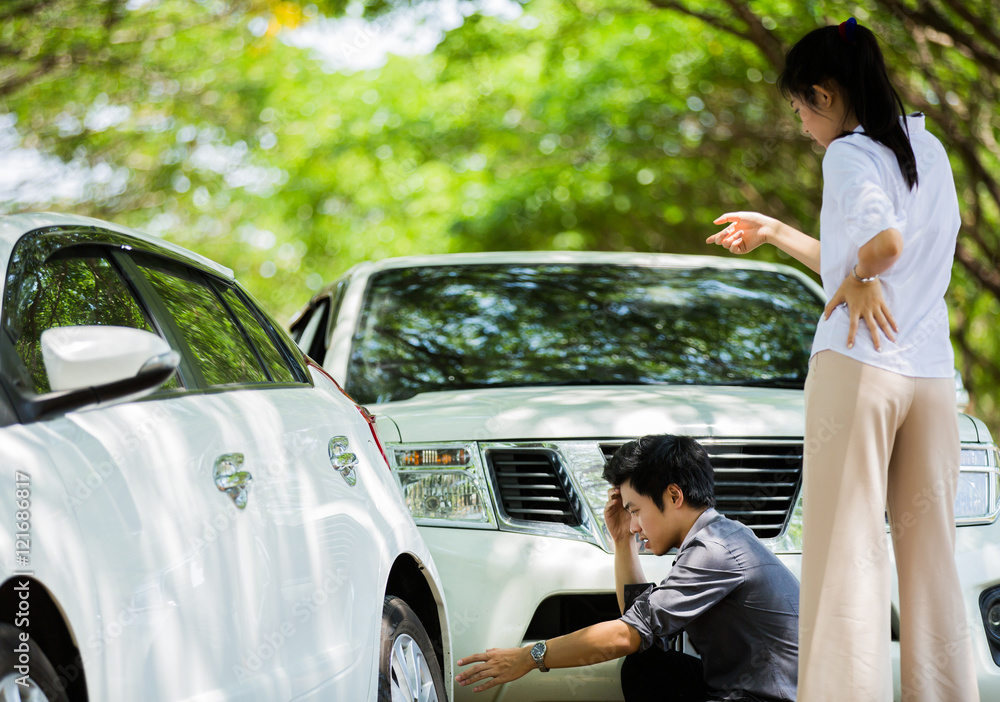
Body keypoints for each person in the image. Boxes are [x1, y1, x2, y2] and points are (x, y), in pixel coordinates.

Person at [706, 17, 979, 702]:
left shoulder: (849, 153)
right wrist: (777, 233)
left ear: (825, 94)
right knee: (932, 563)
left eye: (799, 106)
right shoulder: (930, 146)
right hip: (928, 377)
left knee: (847, 556)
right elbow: (880, 251)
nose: (799, 122)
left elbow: (880, 246)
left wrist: (859, 275)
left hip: (858, 372)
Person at [455, 434, 799, 701]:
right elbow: (642, 623)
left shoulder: (715, 551)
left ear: (674, 496)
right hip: (743, 691)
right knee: (647, 668)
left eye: (635, 510)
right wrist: (622, 541)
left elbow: (627, 634)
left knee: (642, 662)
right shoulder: (716, 538)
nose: (634, 525)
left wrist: (531, 656)